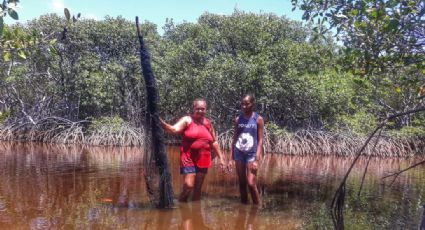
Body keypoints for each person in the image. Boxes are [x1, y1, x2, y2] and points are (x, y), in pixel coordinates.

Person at [160, 99, 226, 202]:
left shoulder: (208, 123)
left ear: (206, 109)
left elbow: (214, 142)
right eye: (198, 109)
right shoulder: (187, 120)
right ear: (193, 108)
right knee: (188, 185)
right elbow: (173, 129)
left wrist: (221, 158)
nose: (200, 111)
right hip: (188, 157)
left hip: (204, 158)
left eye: (203, 109)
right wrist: (160, 122)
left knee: (198, 187)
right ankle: (181, 204)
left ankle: (196, 211)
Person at [229, 94, 264, 205]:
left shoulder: (258, 119)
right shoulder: (238, 119)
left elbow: (260, 140)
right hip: (239, 153)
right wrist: (231, 158)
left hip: (251, 154)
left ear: (252, 104)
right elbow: (234, 139)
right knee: (242, 183)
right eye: (242, 104)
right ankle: (244, 207)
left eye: (247, 104)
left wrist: (256, 160)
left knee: (251, 183)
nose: (244, 106)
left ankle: (257, 207)